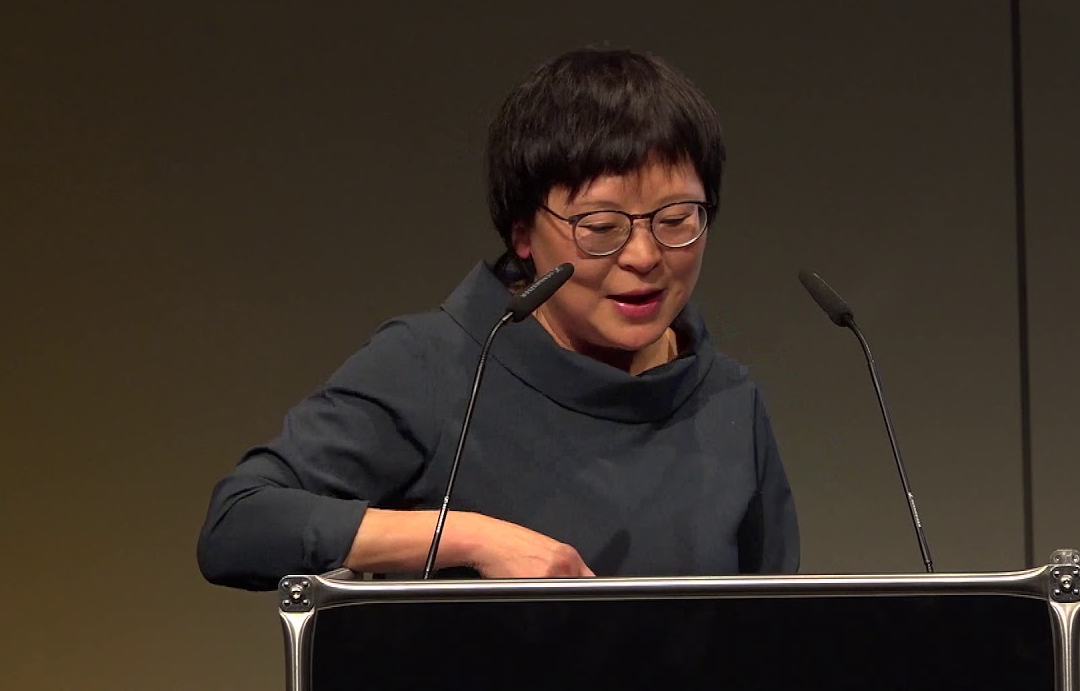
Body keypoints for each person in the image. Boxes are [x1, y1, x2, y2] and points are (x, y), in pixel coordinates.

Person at [197, 47, 799, 591]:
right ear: (523, 236)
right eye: (600, 226)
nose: (643, 257)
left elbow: (775, 639)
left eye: (676, 219)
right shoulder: (434, 364)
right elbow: (239, 522)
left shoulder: (728, 401)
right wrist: (469, 539)